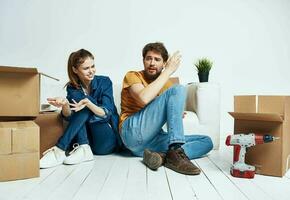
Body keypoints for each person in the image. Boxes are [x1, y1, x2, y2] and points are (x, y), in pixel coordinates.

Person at [119, 42, 213, 175]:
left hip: (151, 142)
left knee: (207, 141)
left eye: (157, 59)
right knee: (178, 88)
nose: (152, 63)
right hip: (131, 132)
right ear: (143, 60)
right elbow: (143, 98)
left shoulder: (167, 85)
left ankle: (162, 156)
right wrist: (168, 71)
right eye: (148, 58)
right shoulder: (133, 75)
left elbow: (175, 112)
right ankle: (174, 149)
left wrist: (176, 111)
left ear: (163, 63)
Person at [40, 49, 121, 168]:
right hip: (87, 141)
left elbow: (106, 113)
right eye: (86, 68)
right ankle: (84, 148)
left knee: (86, 103)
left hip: (106, 139)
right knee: (81, 105)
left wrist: (88, 103)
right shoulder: (72, 88)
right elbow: (70, 117)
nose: (91, 71)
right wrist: (65, 105)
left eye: (92, 66)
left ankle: (59, 149)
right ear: (75, 70)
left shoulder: (105, 82)